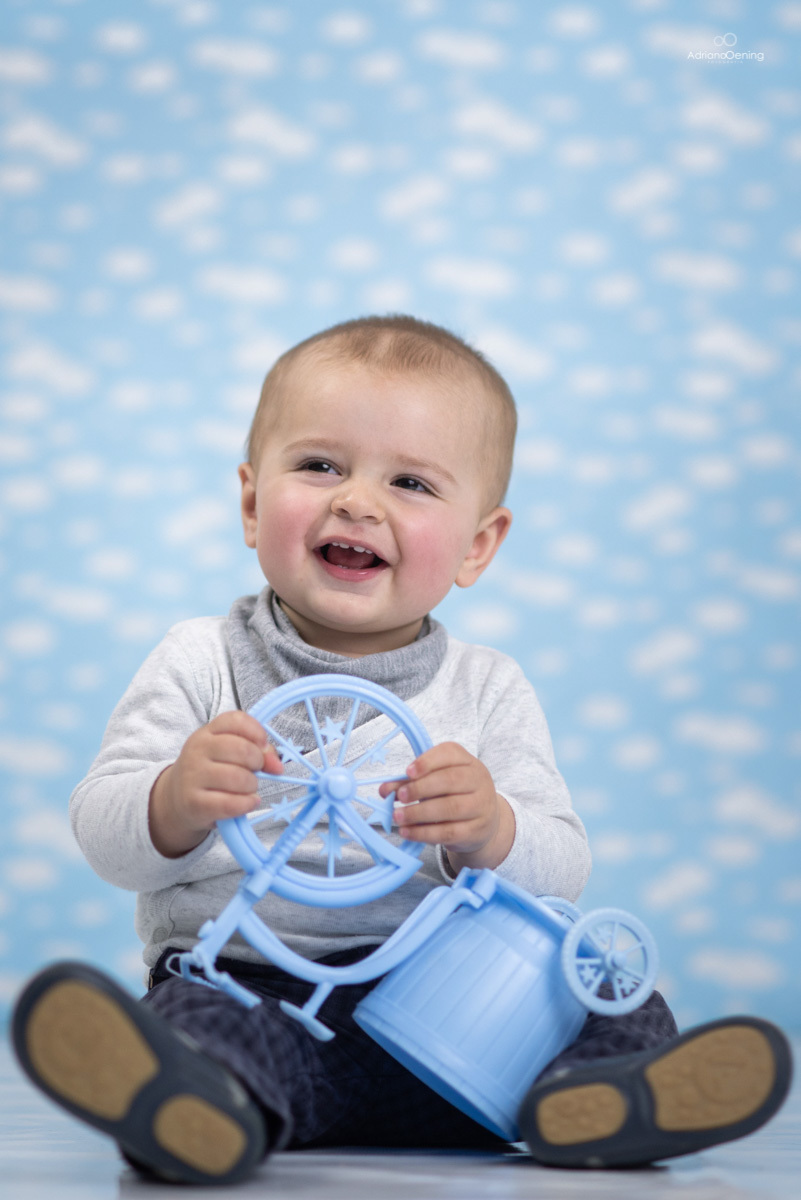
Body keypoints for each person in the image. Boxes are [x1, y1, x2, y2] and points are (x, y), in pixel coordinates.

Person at [12, 316, 792, 1185]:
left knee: (611, 997)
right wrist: (171, 801)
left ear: (478, 545)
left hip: (463, 1021)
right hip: (252, 988)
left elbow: (560, 867)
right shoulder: (198, 659)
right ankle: (201, 1102)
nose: (356, 501)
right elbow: (104, 838)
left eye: (411, 482)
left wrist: (490, 831)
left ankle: (599, 1097)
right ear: (249, 502)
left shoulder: (488, 689)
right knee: (195, 1021)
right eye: (319, 466)